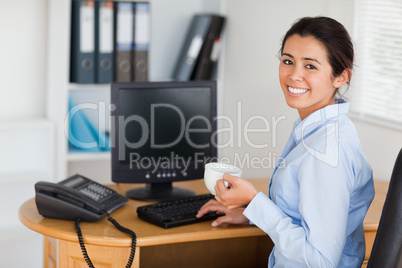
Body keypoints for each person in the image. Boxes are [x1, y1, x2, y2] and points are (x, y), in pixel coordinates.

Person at [196, 16, 375, 268]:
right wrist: (251, 213)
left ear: (341, 77)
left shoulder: (325, 153)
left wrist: (254, 201)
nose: (294, 75)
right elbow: (303, 216)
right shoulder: (320, 128)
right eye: (288, 61)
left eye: (310, 66)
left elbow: (321, 260)